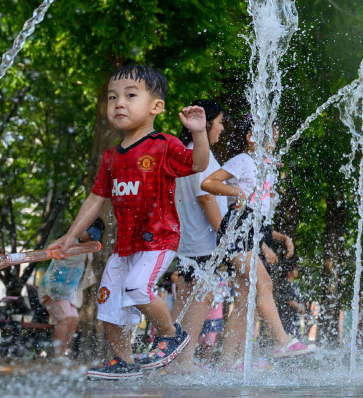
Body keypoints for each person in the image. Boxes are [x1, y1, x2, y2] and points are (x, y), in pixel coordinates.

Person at [47, 65, 209, 380]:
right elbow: (95, 199)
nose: (119, 103)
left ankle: (171, 334)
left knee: (137, 287)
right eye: (112, 97)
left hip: (159, 239)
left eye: (130, 96)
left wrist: (199, 132)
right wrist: (70, 237)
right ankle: (124, 360)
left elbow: (198, 164)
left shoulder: (164, 144)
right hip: (125, 245)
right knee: (107, 299)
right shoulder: (111, 157)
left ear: (156, 107)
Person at [201, 114, 314, 370]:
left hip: (249, 230)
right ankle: (282, 341)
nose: (272, 146)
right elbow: (208, 182)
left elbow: (257, 216)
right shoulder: (242, 161)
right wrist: (235, 191)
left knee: (244, 300)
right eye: (268, 140)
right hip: (236, 229)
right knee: (263, 282)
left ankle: (227, 362)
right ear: (251, 137)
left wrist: (271, 240)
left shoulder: (264, 168)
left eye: (275, 141)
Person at [164, 99, 227, 374]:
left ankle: (171, 357)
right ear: (207, 122)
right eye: (220, 122)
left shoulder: (185, 153)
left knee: (185, 299)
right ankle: (185, 361)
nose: (222, 128)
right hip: (204, 242)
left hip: (188, 241)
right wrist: (226, 239)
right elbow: (207, 200)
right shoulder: (202, 156)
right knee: (199, 300)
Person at [39, 219, 104, 358]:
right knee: (65, 318)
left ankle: (62, 353)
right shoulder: (71, 245)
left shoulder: (86, 252)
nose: (91, 239)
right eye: (90, 235)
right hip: (52, 291)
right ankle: (55, 356)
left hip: (67, 294)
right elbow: (58, 268)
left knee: (73, 319)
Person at [276, 262, 306, 339]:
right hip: (286, 316)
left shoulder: (294, 284)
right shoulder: (285, 284)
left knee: (296, 334)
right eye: (295, 270)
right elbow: (290, 300)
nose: (297, 272)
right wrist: (300, 308)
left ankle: (297, 348)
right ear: (289, 272)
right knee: (288, 334)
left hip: (294, 315)